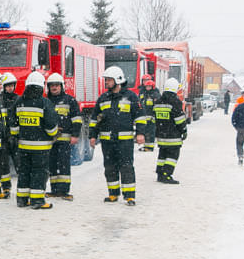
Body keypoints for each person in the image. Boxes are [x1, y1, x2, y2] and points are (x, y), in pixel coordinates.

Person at [89, 66, 148, 205]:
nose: (106, 83)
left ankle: (129, 196)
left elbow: (140, 116)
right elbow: (94, 119)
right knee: (109, 167)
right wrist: (92, 135)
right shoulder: (103, 98)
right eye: (106, 80)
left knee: (126, 167)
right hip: (107, 141)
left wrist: (140, 133)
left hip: (125, 142)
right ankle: (113, 194)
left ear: (118, 80)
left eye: (109, 80)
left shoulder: (131, 97)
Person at [12, 71, 59, 209]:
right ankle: (37, 201)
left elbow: (13, 123)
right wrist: (54, 134)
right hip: (41, 147)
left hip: (23, 146)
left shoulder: (19, 101)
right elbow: (51, 126)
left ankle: (22, 199)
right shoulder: (44, 103)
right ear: (42, 86)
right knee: (39, 172)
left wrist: (17, 136)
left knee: (24, 172)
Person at [45, 72, 81, 200]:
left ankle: (64, 191)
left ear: (61, 86)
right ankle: (54, 190)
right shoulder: (45, 101)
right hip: (50, 141)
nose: (54, 88)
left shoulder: (70, 100)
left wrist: (75, 135)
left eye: (56, 85)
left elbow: (77, 119)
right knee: (52, 165)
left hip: (64, 140)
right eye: (52, 85)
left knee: (64, 165)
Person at [153, 78, 188, 184]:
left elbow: (154, 118)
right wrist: (184, 131)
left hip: (161, 135)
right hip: (173, 135)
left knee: (162, 155)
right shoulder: (175, 102)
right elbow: (179, 119)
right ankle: (167, 175)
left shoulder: (158, 101)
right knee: (172, 156)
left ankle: (160, 174)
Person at [1, 72, 21, 179]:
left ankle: (23, 180)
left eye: (12, 85)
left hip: (16, 137)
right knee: (4, 163)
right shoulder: (0, 100)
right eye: (8, 86)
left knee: (19, 161)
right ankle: (6, 185)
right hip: (4, 136)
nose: (10, 88)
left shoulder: (18, 99)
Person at [137, 74, 160, 152]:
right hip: (144, 115)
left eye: (147, 81)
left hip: (151, 116)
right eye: (144, 81)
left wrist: (154, 115)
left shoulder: (155, 93)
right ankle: (146, 146)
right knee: (146, 131)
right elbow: (140, 101)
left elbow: (157, 105)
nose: (145, 83)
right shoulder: (142, 91)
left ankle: (150, 147)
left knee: (151, 132)